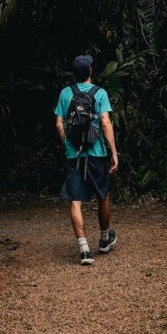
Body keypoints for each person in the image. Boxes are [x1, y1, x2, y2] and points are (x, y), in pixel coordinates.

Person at [54, 54, 118, 266]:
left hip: (75, 156)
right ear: (91, 71)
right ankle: (104, 238)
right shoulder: (99, 93)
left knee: (76, 199)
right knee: (103, 195)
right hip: (96, 154)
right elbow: (105, 122)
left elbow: (59, 124)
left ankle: (83, 249)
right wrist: (114, 152)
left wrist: (68, 146)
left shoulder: (65, 93)